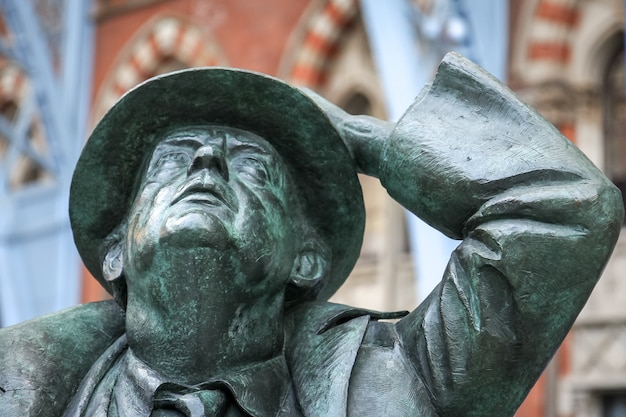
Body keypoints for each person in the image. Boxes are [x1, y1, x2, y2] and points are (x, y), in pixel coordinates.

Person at [0, 52, 622, 417]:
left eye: (251, 164)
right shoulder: (24, 389)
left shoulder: (403, 380)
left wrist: (363, 140)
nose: (206, 164)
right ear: (115, 252)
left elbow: (564, 209)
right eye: (172, 157)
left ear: (305, 258)